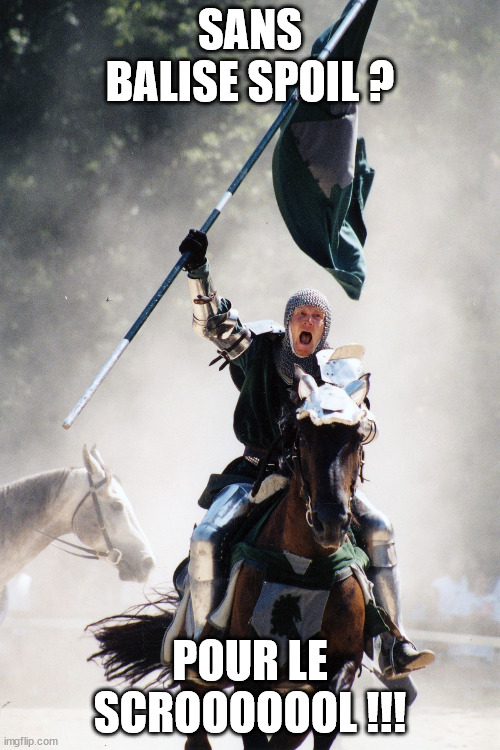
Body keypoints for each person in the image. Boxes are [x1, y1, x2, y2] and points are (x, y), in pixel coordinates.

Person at [178, 229, 434, 685]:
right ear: (289, 320)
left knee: (379, 528)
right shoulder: (261, 349)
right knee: (206, 538)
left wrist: (354, 422)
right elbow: (214, 325)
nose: (309, 321)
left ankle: (393, 643)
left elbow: (369, 424)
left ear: (324, 327)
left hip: (321, 479)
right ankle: (202, 642)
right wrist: (199, 271)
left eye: (317, 316)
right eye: (302, 314)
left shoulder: (338, 370)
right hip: (255, 474)